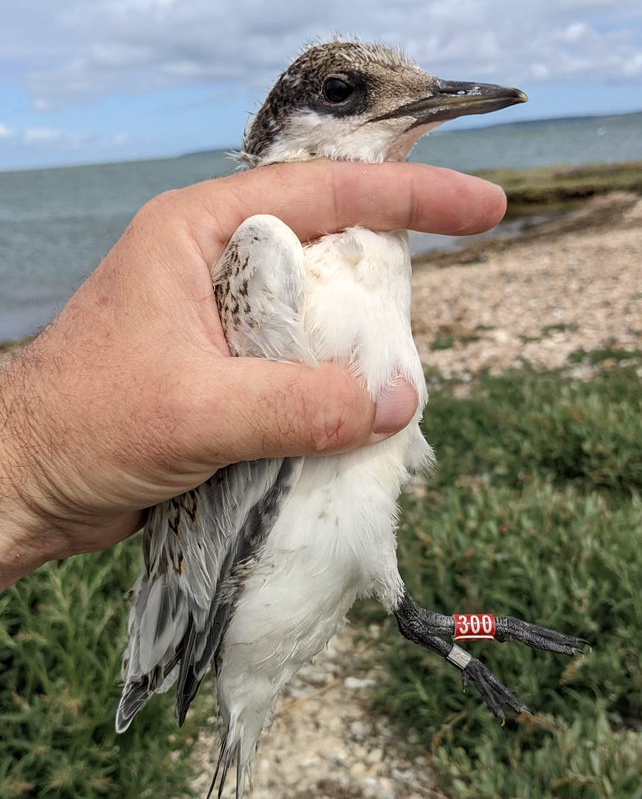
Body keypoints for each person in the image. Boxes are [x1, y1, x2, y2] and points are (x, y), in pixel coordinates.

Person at [0, 160, 506, 591]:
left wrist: (28, 489)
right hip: (240, 588)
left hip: (317, 562)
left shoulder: (372, 255)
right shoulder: (265, 251)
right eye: (339, 90)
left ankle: (471, 632)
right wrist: (30, 471)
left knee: (410, 609)